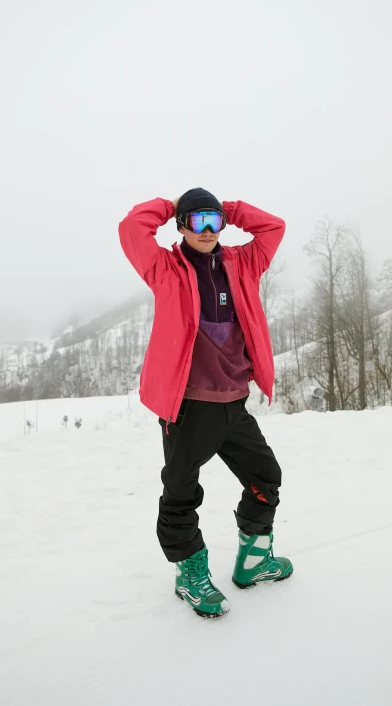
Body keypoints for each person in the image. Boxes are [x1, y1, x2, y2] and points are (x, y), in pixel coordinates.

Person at [118, 188, 293, 618]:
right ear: (180, 226)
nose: (209, 231)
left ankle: (254, 562)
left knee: (266, 476)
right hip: (189, 406)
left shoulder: (241, 263)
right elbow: (131, 229)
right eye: (198, 222)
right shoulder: (166, 269)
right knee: (181, 492)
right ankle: (190, 576)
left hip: (235, 400)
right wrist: (170, 206)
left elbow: (273, 227)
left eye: (216, 221)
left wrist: (230, 210)